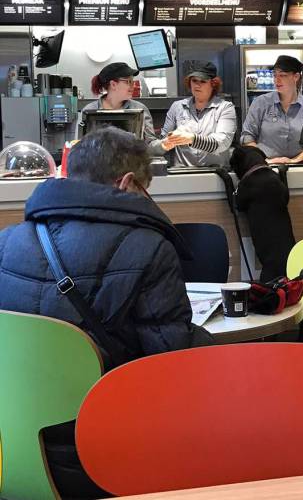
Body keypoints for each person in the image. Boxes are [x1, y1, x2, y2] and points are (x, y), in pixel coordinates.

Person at [0, 126, 212, 499]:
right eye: (145, 188)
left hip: (12, 444)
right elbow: (171, 363)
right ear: (126, 183)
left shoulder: (7, 241)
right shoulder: (149, 247)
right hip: (105, 452)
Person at [152, 60, 237, 167]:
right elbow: (160, 142)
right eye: (194, 80)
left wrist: (192, 138)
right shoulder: (177, 107)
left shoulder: (225, 108)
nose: (197, 85)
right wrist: (165, 144)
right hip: (182, 172)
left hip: (215, 172)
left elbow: (222, 143)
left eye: (203, 81)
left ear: (213, 84)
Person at [240, 55, 303, 164]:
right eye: (275, 75)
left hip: (301, 166)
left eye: (282, 75)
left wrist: (294, 161)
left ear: (296, 77)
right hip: (265, 166)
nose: (277, 80)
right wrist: (265, 161)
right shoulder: (261, 103)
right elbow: (247, 137)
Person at [82, 61, 157, 145]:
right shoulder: (89, 110)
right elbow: (81, 145)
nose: (133, 85)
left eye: (133, 81)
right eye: (128, 82)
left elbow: (150, 143)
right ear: (113, 84)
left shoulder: (140, 108)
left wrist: (163, 144)